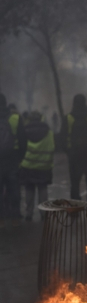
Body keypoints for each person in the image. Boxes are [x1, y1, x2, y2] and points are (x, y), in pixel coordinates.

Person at [60, 94, 87, 217]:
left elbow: (62, 138)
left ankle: (74, 211)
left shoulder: (68, 118)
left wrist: (69, 151)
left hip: (74, 156)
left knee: (75, 184)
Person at [19, 111, 54, 221]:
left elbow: (21, 147)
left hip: (28, 165)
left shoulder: (24, 131)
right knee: (43, 188)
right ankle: (44, 213)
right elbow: (52, 147)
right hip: (44, 165)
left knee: (29, 188)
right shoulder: (48, 132)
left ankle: (29, 213)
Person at [0, 94, 27, 227]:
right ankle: (15, 214)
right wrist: (20, 158)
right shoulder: (15, 118)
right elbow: (23, 141)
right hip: (12, 159)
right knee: (14, 187)